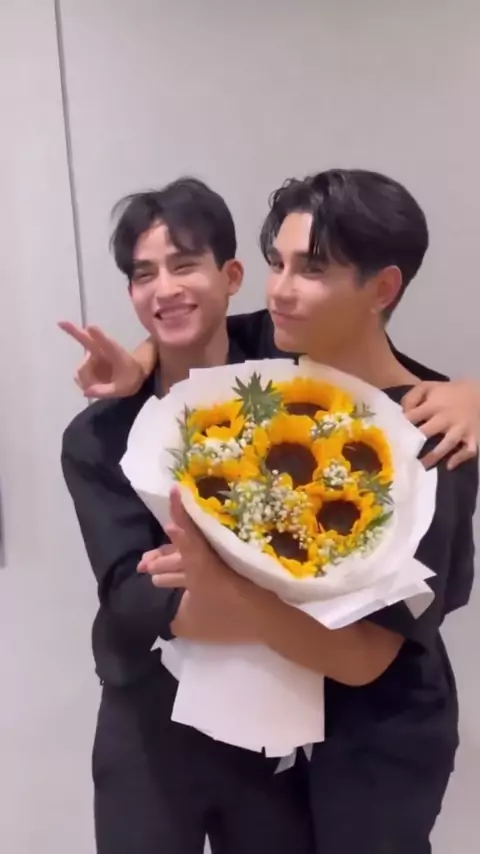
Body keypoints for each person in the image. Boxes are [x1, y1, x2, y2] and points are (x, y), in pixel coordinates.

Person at [61, 176, 478, 854]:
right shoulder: (278, 372)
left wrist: (473, 393)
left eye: (309, 269)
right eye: (277, 264)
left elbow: (366, 658)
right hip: (206, 713)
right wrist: (143, 368)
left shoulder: (422, 432)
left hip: (368, 732)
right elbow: (130, 598)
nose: (280, 289)